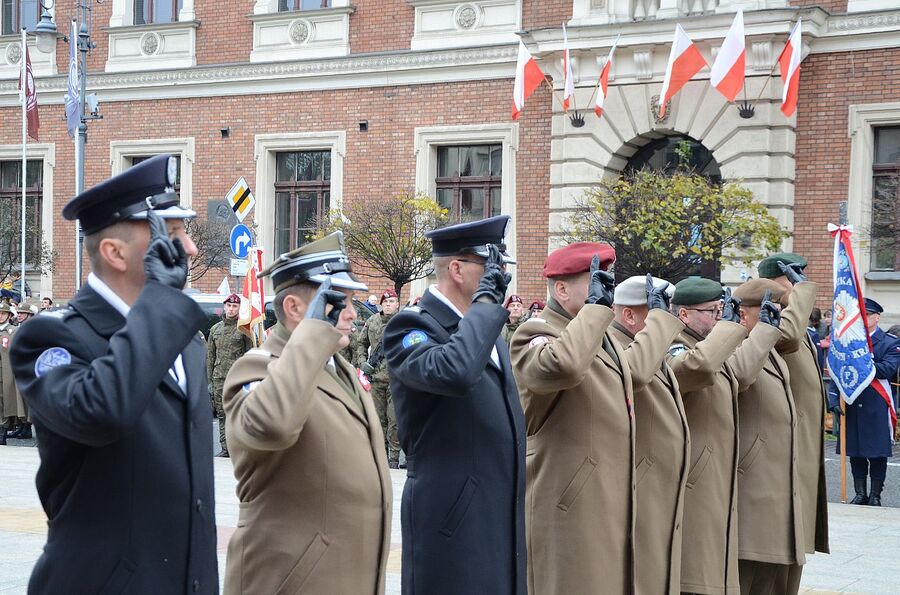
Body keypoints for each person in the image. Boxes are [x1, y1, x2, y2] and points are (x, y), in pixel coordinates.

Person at [8, 154, 218, 593]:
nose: (191, 250)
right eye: (173, 234)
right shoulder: (50, 339)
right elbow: (102, 411)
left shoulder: (184, 341)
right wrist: (160, 299)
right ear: (115, 252)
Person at [222, 232, 392, 594]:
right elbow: (272, 426)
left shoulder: (341, 368)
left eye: (350, 300)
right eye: (335, 301)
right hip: (293, 581)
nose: (351, 312)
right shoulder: (256, 368)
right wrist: (313, 334)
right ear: (295, 309)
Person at [384, 215, 525, 595]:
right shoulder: (410, 328)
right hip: (452, 527)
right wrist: (486, 305)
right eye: (491, 267)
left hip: (497, 521)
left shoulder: (484, 327)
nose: (501, 279)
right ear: (457, 269)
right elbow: (454, 372)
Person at [510, 242, 634, 595]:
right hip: (569, 504)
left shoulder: (600, 333)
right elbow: (562, 366)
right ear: (561, 289)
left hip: (606, 499)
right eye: (594, 280)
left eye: (606, 279)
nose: (605, 288)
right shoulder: (535, 331)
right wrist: (596, 311)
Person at [666, 277, 780, 595]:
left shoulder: (713, 344)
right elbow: (696, 369)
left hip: (715, 473)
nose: (720, 316)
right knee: (693, 574)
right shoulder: (673, 345)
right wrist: (729, 329)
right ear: (684, 314)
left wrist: (765, 329)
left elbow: (740, 373)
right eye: (712, 311)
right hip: (690, 478)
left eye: (722, 310)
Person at [609, 274, 689, 595]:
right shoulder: (618, 346)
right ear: (629, 315)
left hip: (656, 485)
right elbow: (636, 374)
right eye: (657, 310)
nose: (668, 318)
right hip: (635, 487)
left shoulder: (650, 345)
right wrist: (658, 324)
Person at [758, 253, 830, 587]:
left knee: (796, 548)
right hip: (776, 451)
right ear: (776, 282)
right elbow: (784, 338)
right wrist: (801, 295)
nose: (801, 282)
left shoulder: (794, 317)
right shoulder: (768, 316)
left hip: (800, 446)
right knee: (775, 553)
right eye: (795, 276)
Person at [731, 279, 805, 595]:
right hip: (752, 486)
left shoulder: (769, 347)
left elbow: (791, 336)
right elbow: (741, 375)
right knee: (748, 579)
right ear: (746, 315)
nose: (777, 317)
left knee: (778, 579)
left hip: (777, 485)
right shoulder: (737, 345)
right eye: (770, 310)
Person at [829, 298, 900, 507]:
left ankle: (875, 495)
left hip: (876, 405)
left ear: (877, 317)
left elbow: (887, 370)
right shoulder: (848, 340)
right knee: (856, 451)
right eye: (861, 314)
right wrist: (833, 399)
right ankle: (860, 493)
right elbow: (836, 371)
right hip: (852, 403)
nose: (864, 318)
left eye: (868, 314)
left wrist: (861, 362)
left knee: (877, 453)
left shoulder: (889, 342)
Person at [356, 288, 402, 467]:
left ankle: (394, 459)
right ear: (381, 304)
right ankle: (380, 456)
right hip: (375, 378)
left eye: (392, 302)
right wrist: (362, 363)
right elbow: (361, 343)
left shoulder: (402, 322)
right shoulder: (372, 321)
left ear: (397, 304)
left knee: (395, 420)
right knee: (377, 419)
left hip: (396, 379)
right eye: (386, 302)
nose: (388, 305)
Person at [207, 293, 252, 458]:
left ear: (239, 308)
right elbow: (210, 357)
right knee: (221, 413)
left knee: (238, 412)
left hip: (237, 377)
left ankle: (239, 446)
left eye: (235, 306)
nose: (231, 309)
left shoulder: (243, 329)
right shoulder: (215, 329)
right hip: (219, 378)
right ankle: (225, 448)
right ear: (224, 307)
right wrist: (210, 381)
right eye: (229, 305)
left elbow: (250, 354)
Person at [0, 300, 22, 446]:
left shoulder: (13, 331)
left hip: (6, 372)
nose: (0, 316)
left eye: (3, 313)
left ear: (9, 315)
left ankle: (2, 431)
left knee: (5, 400)